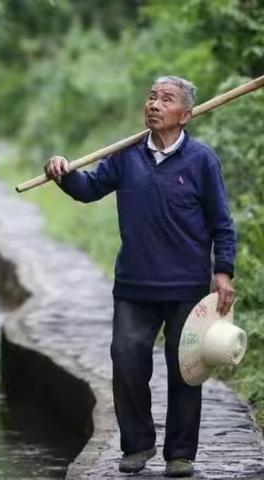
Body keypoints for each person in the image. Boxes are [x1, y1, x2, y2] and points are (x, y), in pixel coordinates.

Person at [43, 76, 236, 478]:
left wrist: (223, 272)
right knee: (126, 359)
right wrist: (61, 172)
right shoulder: (125, 156)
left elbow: (222, 223)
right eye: (151, 97)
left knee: (186, 370)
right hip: (135, 285)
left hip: (187, 287)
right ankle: (137, 445)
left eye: (166, 99)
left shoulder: (202, 160)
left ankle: (180, 454)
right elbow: (88, 188)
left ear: (186, 115)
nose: (154, 104)